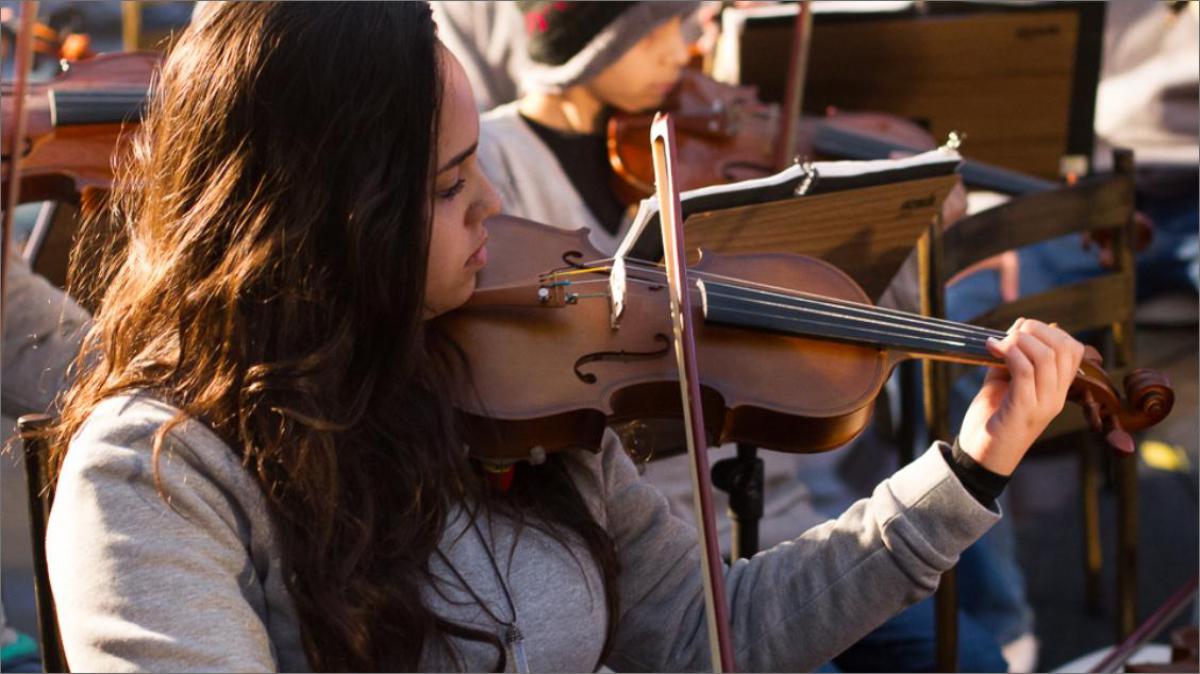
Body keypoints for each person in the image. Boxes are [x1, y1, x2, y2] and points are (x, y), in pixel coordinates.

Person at [45, 3, 1084, 671]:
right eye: (452, 183)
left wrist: (965, 470)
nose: (496, 202)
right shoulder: (156, 472)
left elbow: (698, 633)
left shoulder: (499, 378)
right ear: (325, 216)